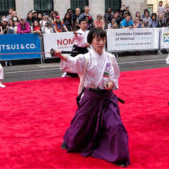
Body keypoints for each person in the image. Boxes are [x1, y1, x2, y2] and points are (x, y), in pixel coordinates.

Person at [55, 28, 130, 167]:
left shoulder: (110, 57)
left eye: (103, 39)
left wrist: (111, 83)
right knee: (80, 124)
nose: (101, 43)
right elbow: (72, 61)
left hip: (107, 98)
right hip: (91, 97)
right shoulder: (86, 57)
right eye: (97, 40)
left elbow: (115, 75)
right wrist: (61, 56)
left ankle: (119, 156)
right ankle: (70, 140)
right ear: (90, 42)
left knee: (115, 125)